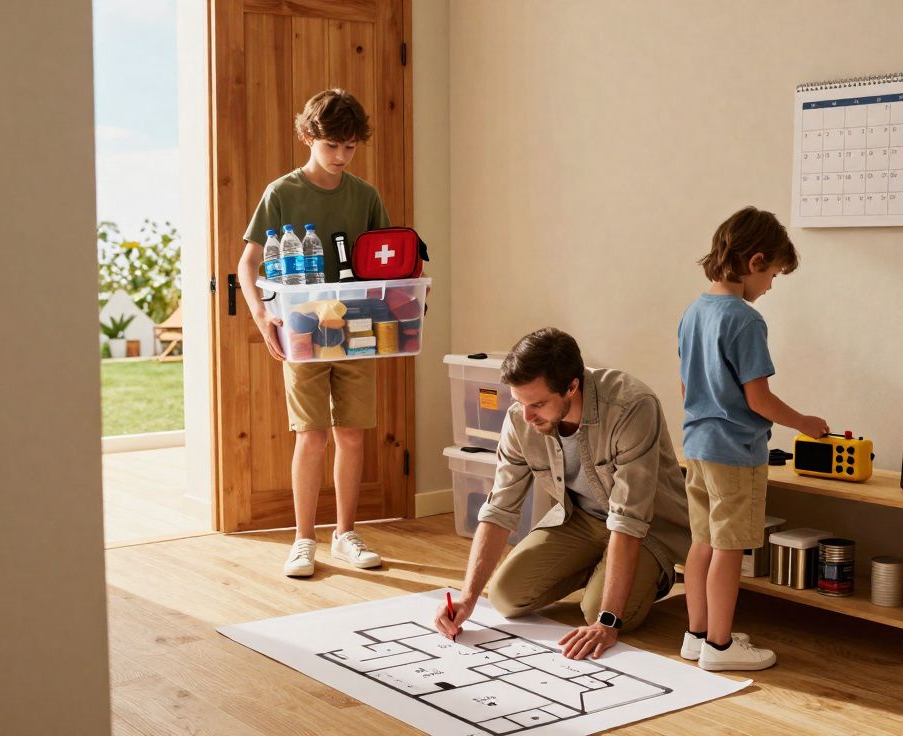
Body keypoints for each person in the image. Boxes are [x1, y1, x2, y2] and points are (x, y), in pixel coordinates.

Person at [433, 328, 691, 660]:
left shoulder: (631, 406)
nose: (526, 416)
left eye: (537, 404)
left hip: (646, 530)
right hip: (581, 520)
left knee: (598, 611)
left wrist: (607, 622)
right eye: (519, 402)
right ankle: (599, 568)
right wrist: (468, 596)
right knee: (505, 597)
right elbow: (499, 509)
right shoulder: (521, 417)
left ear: (572, 385)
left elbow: (629, 520)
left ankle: (649, 574)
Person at [237, 89, 391, 577]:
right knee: (312, 436)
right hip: (300, 330)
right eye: (332, 147)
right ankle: (303, 539)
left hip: (356, 329)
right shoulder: (281, 193)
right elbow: (247, 263)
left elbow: (385, 261)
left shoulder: (365, 195)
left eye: (350, 147)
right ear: (308, 137)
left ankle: (345, 533)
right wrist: (264, 318)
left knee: (351, 435)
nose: (341, 157)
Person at [676, 206, 828, 671]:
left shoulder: (693, 311)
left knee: (702, 542)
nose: (770, 286)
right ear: (755, 261)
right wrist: (804, 423)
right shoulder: (744, 320)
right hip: (734, 452)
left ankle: (697, 635)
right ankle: (721, 648)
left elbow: (686, 389)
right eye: (774, 275)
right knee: (730, 547)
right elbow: (758, 399)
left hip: (697, 445)